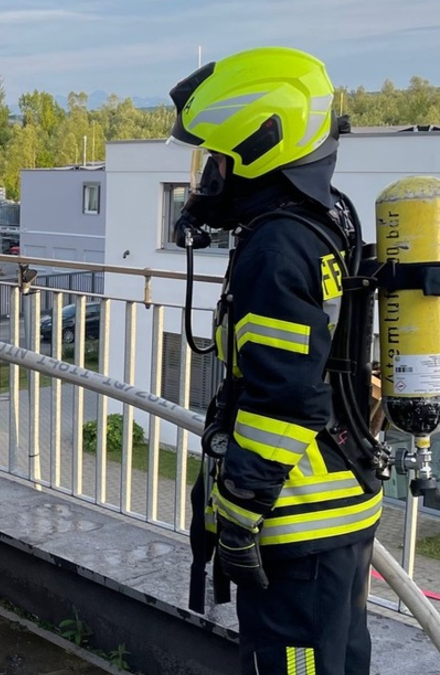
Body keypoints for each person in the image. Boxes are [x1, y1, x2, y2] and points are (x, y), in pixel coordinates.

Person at [172, 47, 385, 675]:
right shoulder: (325, 215)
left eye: (218, 159)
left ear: (262, 143)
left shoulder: (275, 246)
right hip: (342, 501)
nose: (208, 176)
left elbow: (284, 396)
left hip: (297, 523)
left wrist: (238, 514)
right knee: (340, 662)